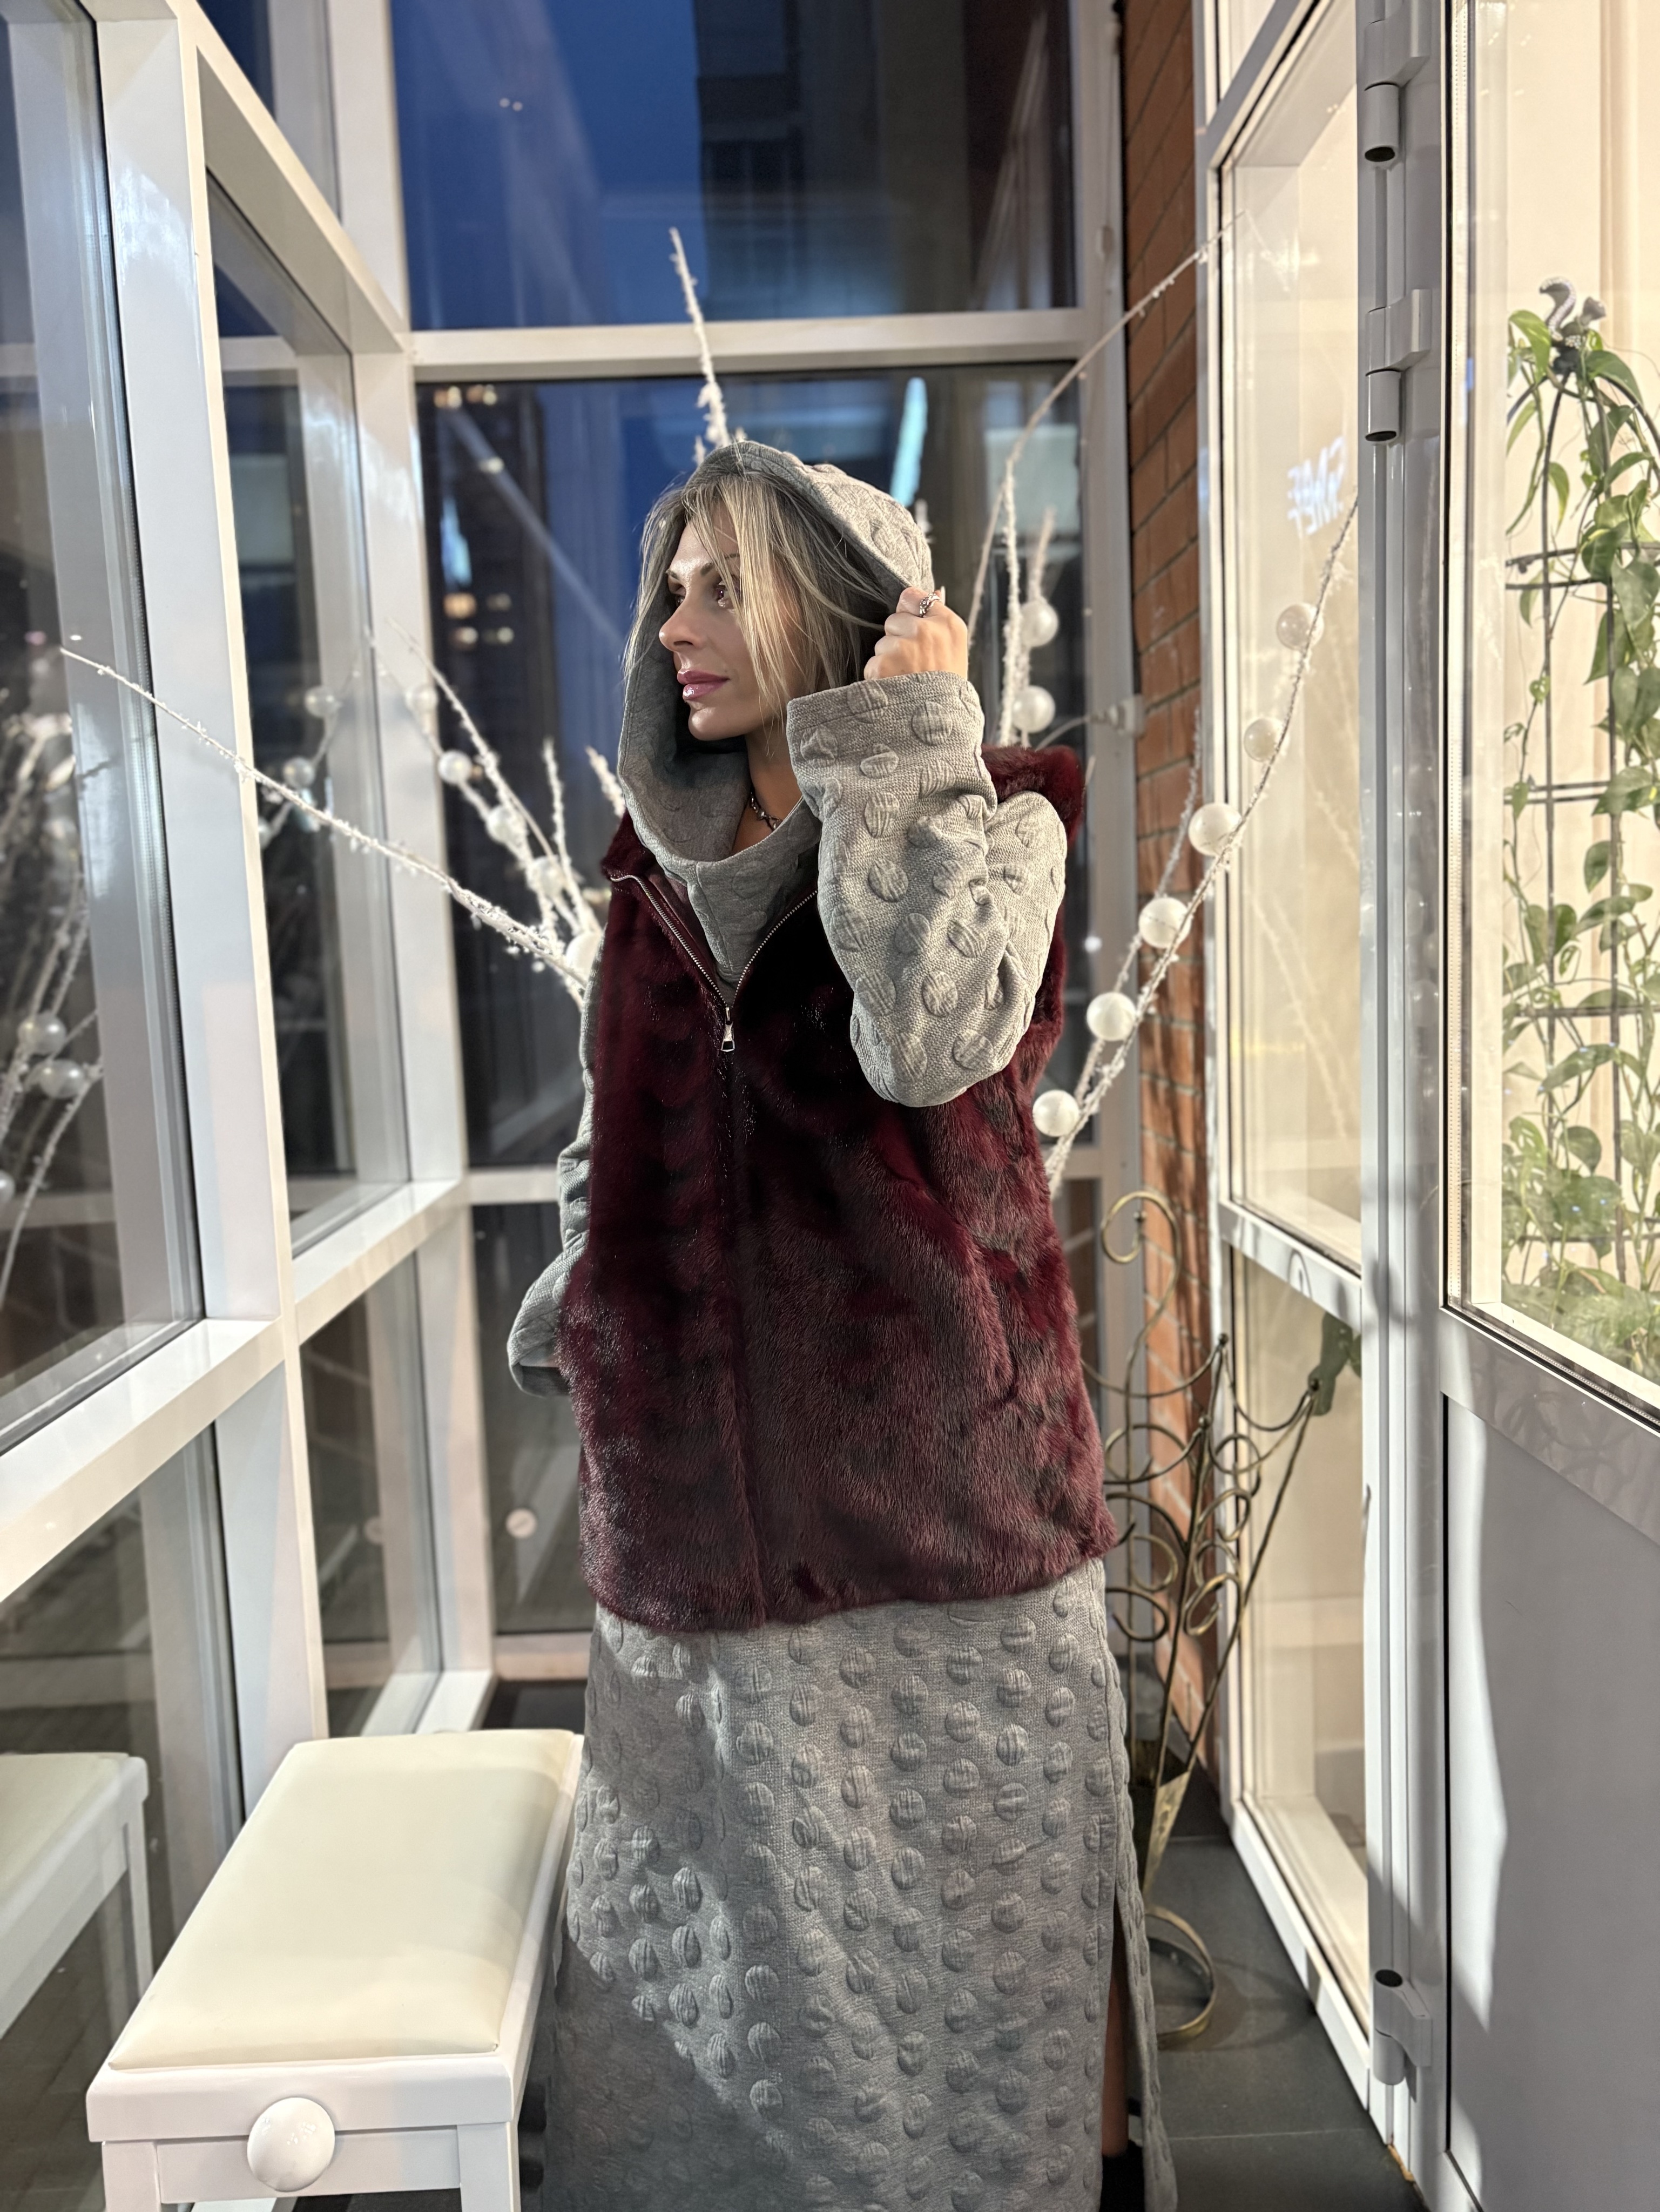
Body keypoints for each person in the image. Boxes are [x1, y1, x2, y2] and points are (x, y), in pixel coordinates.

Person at [510, 440, 1175, 2212]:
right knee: (711, 2033)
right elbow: (609, 1130)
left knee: (958, 2025)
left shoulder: (1001, 824)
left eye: (723, 586)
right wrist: (594, 1307)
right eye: (670, 590)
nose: (674, 628)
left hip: (941, 1538)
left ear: (837, 611)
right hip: (694, 1549)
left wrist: (902, 752)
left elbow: (928, 1036)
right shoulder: (646, 883)